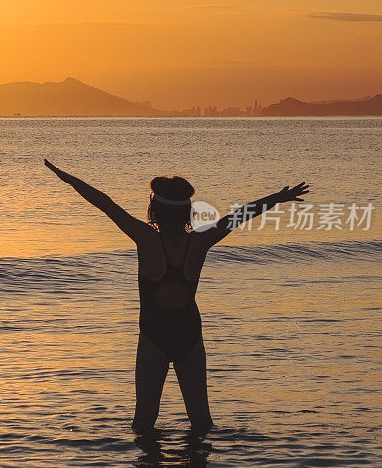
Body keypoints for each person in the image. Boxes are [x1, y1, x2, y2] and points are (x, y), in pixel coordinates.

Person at [44, 159, 309, 434]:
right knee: (202, 424)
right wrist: (279, 198)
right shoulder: (200, 240)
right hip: (189, 336)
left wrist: (69, 179)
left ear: (154, 210)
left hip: (153, 336)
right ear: (187, 213)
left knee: (143, 424)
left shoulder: (145, 238)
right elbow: (240, 215)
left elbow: (106, 204)